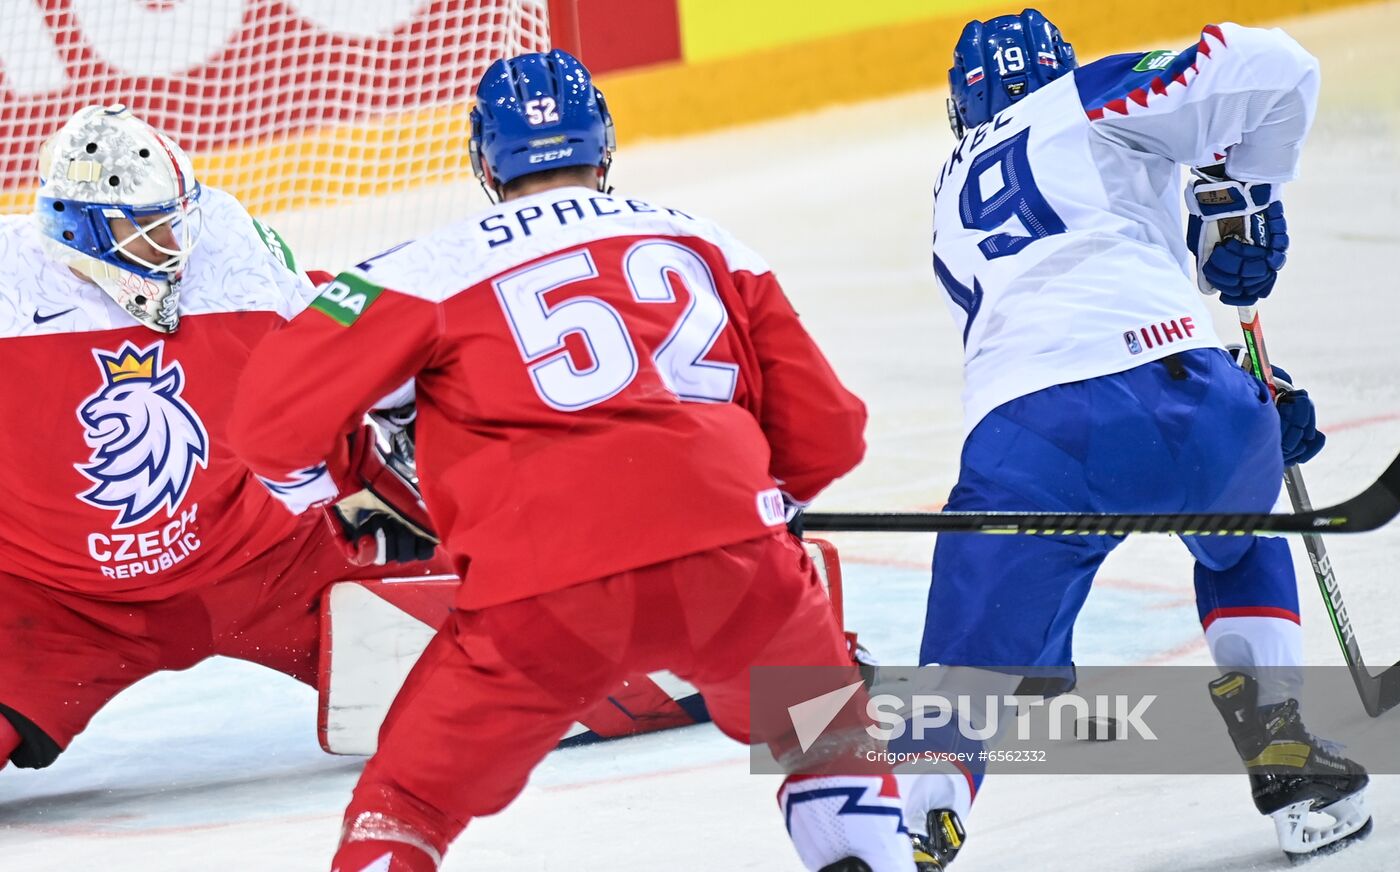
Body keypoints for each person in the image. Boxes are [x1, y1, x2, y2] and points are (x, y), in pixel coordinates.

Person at [228, 49, 918, 872]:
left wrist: (331, 490)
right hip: (740, 575)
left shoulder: (425, 268)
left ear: (483, 157)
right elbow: (829, 437)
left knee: (407, 808)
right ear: (605, 138)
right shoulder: (702, 239)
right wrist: (765, 507)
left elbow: (267, 420)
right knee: (824, 741)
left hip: (539, 599)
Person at [907, 9, 1369, 865]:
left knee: (964, 670)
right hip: (1188, 407)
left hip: (1028, 442)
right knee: (1241, 533)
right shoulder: (1084, 98)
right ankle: (1286, 750)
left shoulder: (948, 195)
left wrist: (1210, 218)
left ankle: (910, 828)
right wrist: (1248, 187)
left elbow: (1077, 292)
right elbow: (1276, 65)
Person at [0, 103, 441, 773]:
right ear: (73, 227)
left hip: (267, 566)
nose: (171, 246)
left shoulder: (228, 245)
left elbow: (341, 351)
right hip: (52, 607)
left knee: (515, 642)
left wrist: (396, 469)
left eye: (174, 220)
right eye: (141, 230)